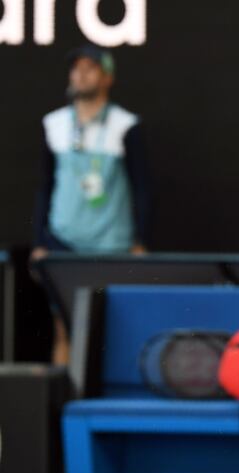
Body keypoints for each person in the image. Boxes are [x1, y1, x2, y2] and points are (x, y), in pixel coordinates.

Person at [31, 45, 150, 363]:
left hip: (111, 245)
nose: (81, 74)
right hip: (63, 241)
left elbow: (141, 186)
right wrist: (39, 241)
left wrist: (140, 241)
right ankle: (63, 409)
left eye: (90, 68)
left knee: (112, 330)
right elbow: (45, 185)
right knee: (62, 328)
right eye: (76, 68)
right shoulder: (54, 124)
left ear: (107, 77)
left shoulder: (125, 125)